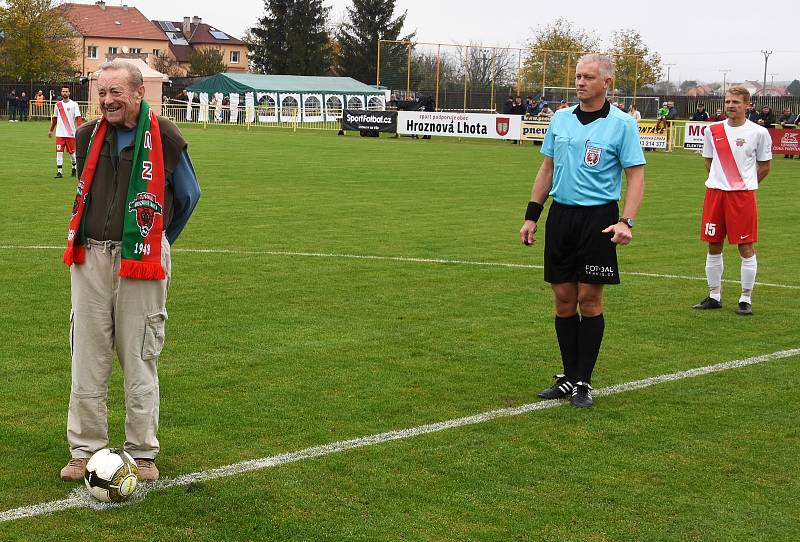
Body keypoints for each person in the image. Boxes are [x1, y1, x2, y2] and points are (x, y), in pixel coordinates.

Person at [59, 60, 201, 483]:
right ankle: (84, 450)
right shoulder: (87, 136)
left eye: (116, 93)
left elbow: (189, 196)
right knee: (87, 353)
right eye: (102, 93)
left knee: (140, 353)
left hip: (142, 256)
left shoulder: (166, 137)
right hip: (90, 257)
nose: (107, 101)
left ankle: (142, 454)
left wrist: (156, 242)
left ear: (139, 94)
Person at [519, 53, 645, 408]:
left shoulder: (622, 124)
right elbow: (547, 169)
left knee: (589, 299)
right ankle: (569, 376)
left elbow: (635, 176)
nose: (580, 82)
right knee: (563, 299)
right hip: (562, 217)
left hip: (599, 219)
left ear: (607, 83)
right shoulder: (560, 120)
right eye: (577, 76)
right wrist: (532, 215)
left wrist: (626, 221)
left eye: (588, 77)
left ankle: (583, 382)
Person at [693, 86, 771, 316]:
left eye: (736, 102)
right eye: (728, 101)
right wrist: (722, 179)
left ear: (747, 105)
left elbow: (765, 167)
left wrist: (742, 183)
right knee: (713, 244)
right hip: (715, 194)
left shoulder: (758, 132)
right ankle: (714, 295)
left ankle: (745, 298)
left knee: (745, 247)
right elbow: (708, 161)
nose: (730, 105)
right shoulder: (713, 130)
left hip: (742, 197)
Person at [48, 86, 83, 178]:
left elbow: (78, 118)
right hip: (59, 134)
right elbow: (55, 119)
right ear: (61, 92)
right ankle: (59, 172)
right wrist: (51, 130)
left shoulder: (74, 104)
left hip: (70, 133)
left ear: (69, 93)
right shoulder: (57, 105)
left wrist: (79, 129)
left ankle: (74, 167)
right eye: (63, 91)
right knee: (59, 152)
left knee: (72, 153)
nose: (64, 93)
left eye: (66, 91)